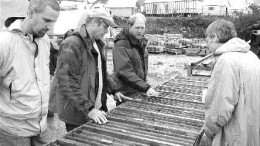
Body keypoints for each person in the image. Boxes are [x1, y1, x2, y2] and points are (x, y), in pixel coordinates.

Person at [56, 10, 130, 132]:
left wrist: (114, 90)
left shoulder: (96, 44)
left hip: (95, 109)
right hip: (79, 113)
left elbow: (100, 71)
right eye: (105, 27)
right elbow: (66, 81)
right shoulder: (72, 44)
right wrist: (88, 109)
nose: (106, 32)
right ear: (94, 23)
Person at [0, 0, 60, 145]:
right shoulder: (4, 42)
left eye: (53, 22)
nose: (50, 27)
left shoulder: (44, 40)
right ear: (30, 12)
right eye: (46, 20)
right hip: (13, 131)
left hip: (41, 127)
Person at [203, 19, 260, 146]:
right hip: (252, 132)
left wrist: (208, 132)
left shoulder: (226, 61)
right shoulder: (251, 56)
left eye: (207, 40)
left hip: (235, 135)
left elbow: (220, 109)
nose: (207, 45)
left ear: (215, 37)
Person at [112, 13, 158, 99]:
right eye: (137, 28)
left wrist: (143, 87)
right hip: (126, 95)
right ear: (129, 26)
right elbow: (124, 72)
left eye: (142, 28)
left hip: (139, 91)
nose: (140, 31)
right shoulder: (121, 44)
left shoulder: (140, 42)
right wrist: (145, 87)